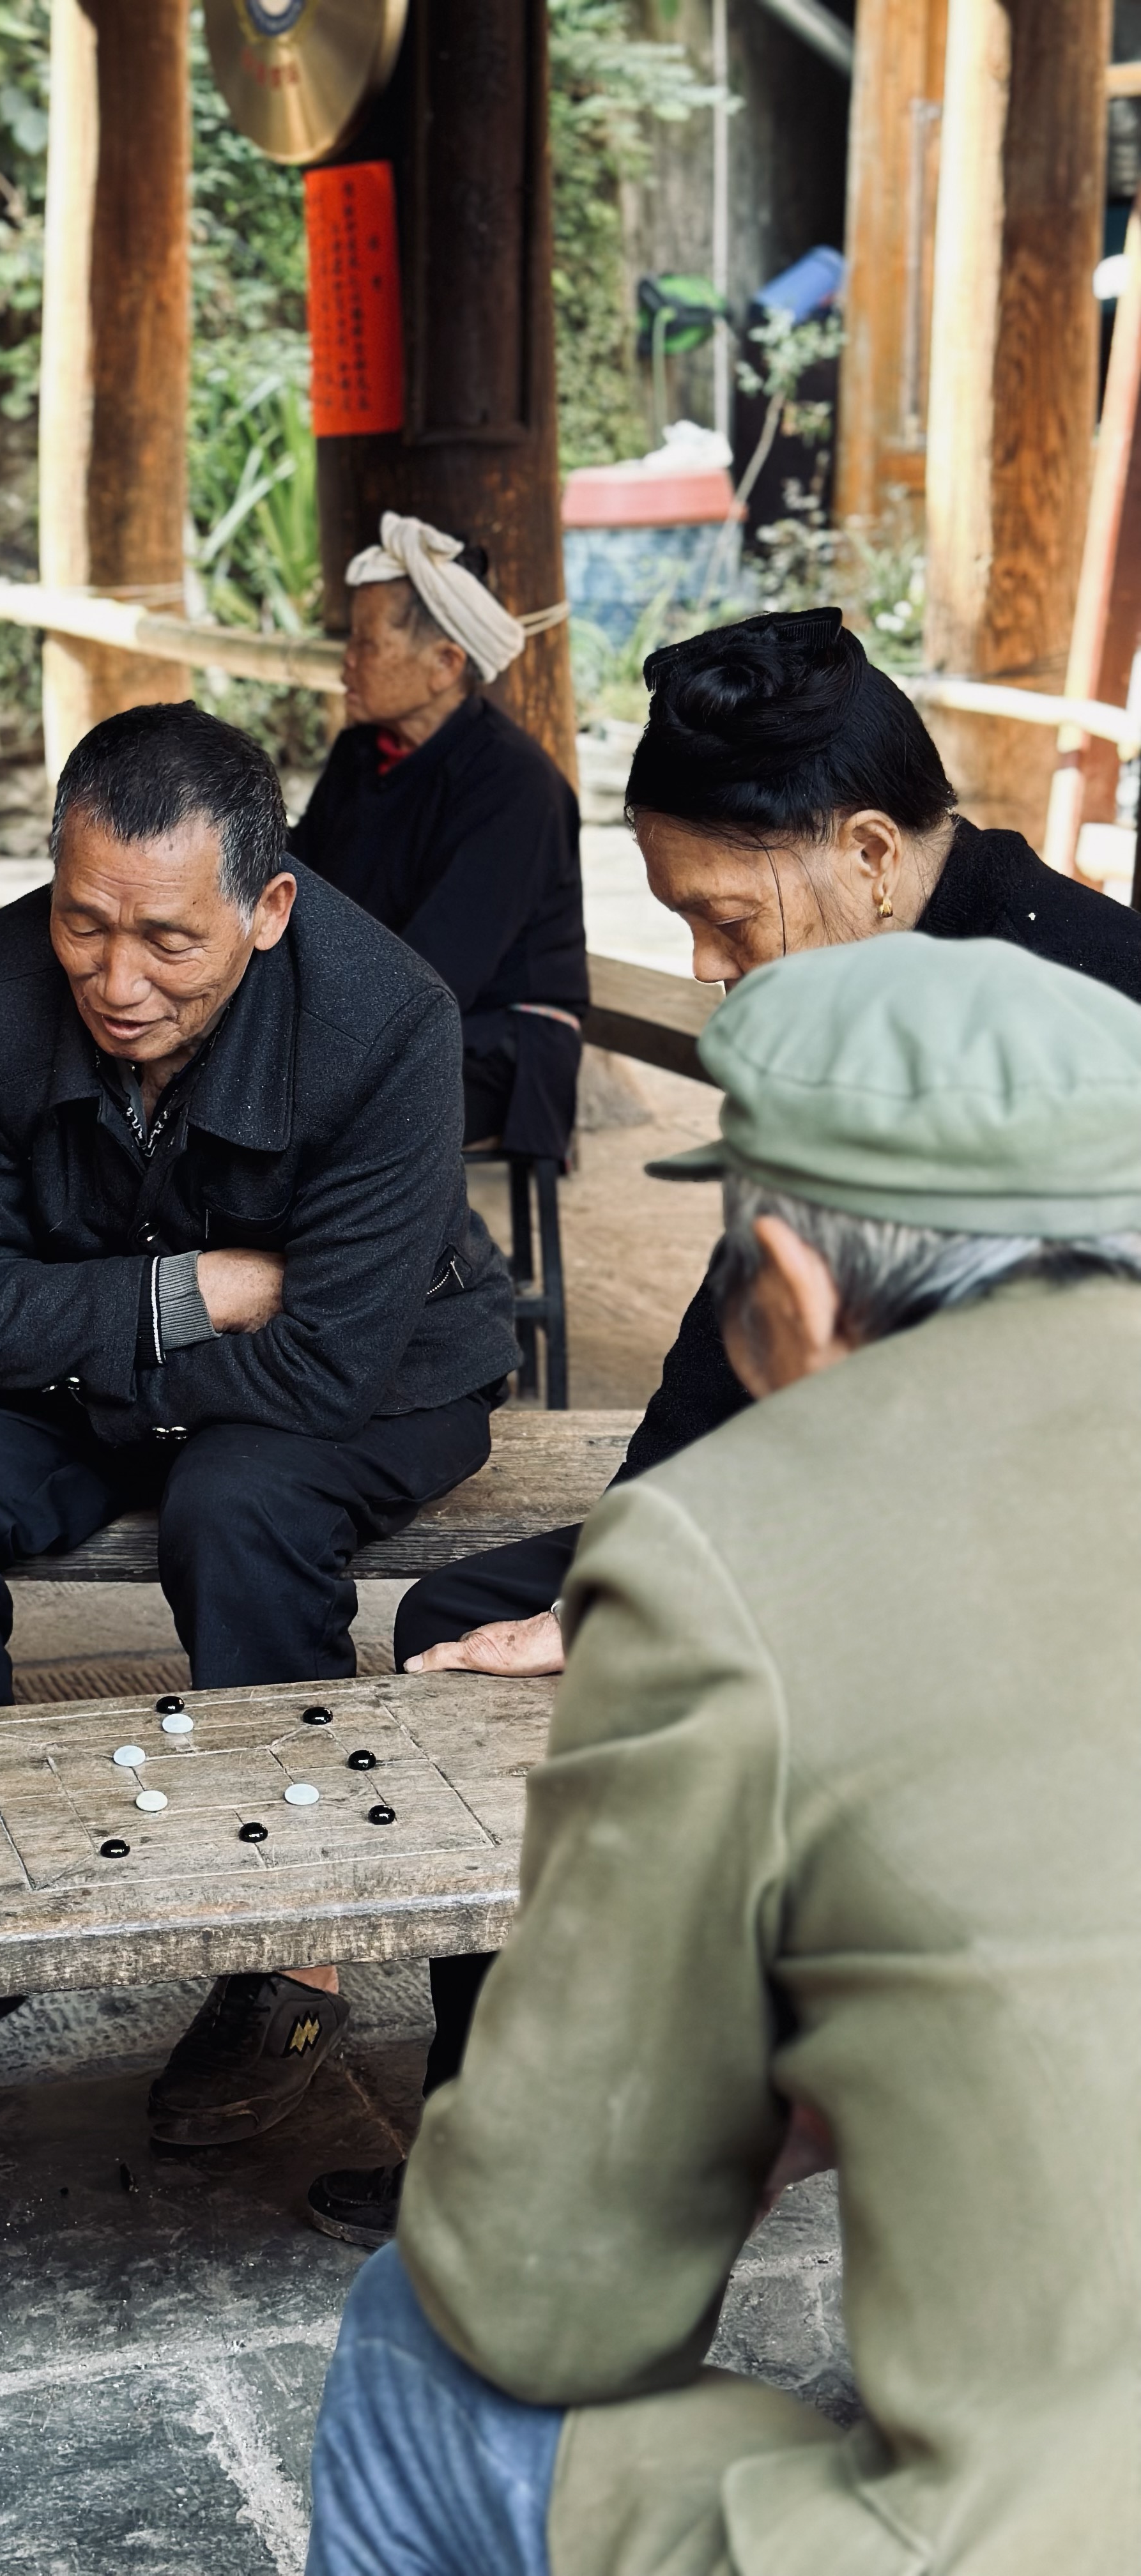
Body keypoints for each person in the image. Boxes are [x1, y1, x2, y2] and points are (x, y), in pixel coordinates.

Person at [305, 602, 1141, 2248]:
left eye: (724, 915)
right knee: (486, 1612)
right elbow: (727, 1335)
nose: (701, 964)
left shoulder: (1086, 1000)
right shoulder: (852, 984)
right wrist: (618, 1568)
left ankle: (651, 2134)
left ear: (875, 851)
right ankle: (507, 2129)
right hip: (879, 1521)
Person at [306, 931, 1141, 2576]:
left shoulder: (735, 1545)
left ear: (799, 1293)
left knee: (425, 2335)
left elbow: (546, 2300)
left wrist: (736, 2105)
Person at [0, 701, 517, 2140]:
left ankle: (286, 1949)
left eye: (168, 943)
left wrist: (74, 1338)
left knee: (243, 1502)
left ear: (268, 906)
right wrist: (181, 1298)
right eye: (85, 926)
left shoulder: (389, 1019)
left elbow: (324, 1370)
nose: (116, 983)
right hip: (125, 1360)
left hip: (385, 1379)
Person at [288, 512, 586, 1162]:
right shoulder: (361, 753)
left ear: (445, 663)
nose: (347, 663)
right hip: (383, 1022)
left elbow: (437, 974)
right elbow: (296, 883)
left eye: (366, 645)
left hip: (492, 1045)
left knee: (292, 1117)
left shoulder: (517, 787)